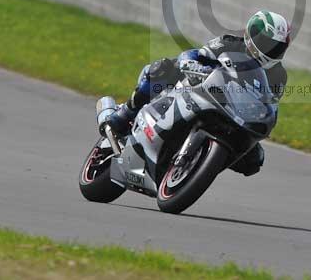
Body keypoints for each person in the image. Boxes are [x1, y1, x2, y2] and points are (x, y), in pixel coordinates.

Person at [103, 10, 291, 176]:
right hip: (197, 87)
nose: (271, 50)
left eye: (277, 47)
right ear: (252, 35)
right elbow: (196, 54)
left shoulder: (278, 74)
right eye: (267, 43)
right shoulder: (229, 43)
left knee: (254, 160)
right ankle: (125, 113)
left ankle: (198, 165)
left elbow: (270, 102)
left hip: (234, 111)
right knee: (163, 68)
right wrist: (190, 63)